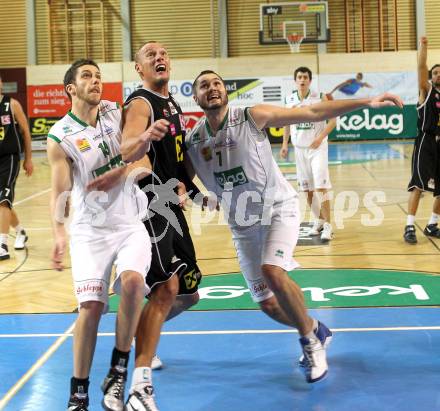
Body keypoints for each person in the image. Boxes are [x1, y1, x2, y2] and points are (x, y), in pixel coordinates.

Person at [171, 70, 400, 384]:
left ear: (225, 91)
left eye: (217, 84)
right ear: (195, 97)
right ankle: (315, 327)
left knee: (273, 270)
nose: (211, 88)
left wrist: (366, 101)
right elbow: (184, 180)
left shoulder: (251, 116)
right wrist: (198, 199)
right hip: (242, 225)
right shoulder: (195, 139)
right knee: (266, 303)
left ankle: (310, 342)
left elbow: (311, 111)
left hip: (278, 208)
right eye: (203, 86)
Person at [47, 59, 155, 411]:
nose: (96, 81)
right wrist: (58, 233)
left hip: (128, 223)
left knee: (134, 283)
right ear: (70, 89)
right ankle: (78, 394)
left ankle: (119, 370)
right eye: (87, 76)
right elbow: (59, 191)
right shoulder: (60, 136)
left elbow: (143, 160)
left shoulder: (115, 111)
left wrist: (127, 168)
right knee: (90, 308)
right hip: (90, 231)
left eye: (98, 75)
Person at [119, 42, 202, 411]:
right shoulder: (140, 102)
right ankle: (140, 380)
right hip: (150, 205)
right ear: (139, 68)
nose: (159, 57)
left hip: (172, 205)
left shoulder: (173, 105)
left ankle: (141, 338)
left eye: (164, 52)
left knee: (188, 291)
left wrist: (195, 193)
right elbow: (128, 150)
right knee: (166, 288)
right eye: (150, 55)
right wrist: (155, 188)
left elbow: (177, 161)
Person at [281, 66, 335, 241]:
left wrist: (320, 137)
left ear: (310, 81)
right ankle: (318, 220)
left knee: (321, 187)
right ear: (295, 80)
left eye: (305, 77)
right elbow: (286, 123)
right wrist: (284, 144)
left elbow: (334, 120)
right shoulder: (289, 100)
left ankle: (328, 225)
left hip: (317, 148)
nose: (302, 80)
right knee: (307, 190)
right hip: (299, 149)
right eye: (299, 77)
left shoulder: (320, 97)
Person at [404, 37, 440, 244]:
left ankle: (432, 224)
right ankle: (409, 226)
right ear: (430, 77)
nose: (438, 75)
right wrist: (424, 46)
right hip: (426, 141)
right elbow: (421, 66)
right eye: (434, 73)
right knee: (418, 185)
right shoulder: (426, 92)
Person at [0, 74, 33, 260]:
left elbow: (26, 132)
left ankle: (2, 245)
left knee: (4, 198)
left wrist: (28, 158)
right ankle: (20, 232)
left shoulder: (11, 104)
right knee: (2, 202)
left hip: (9, 158)